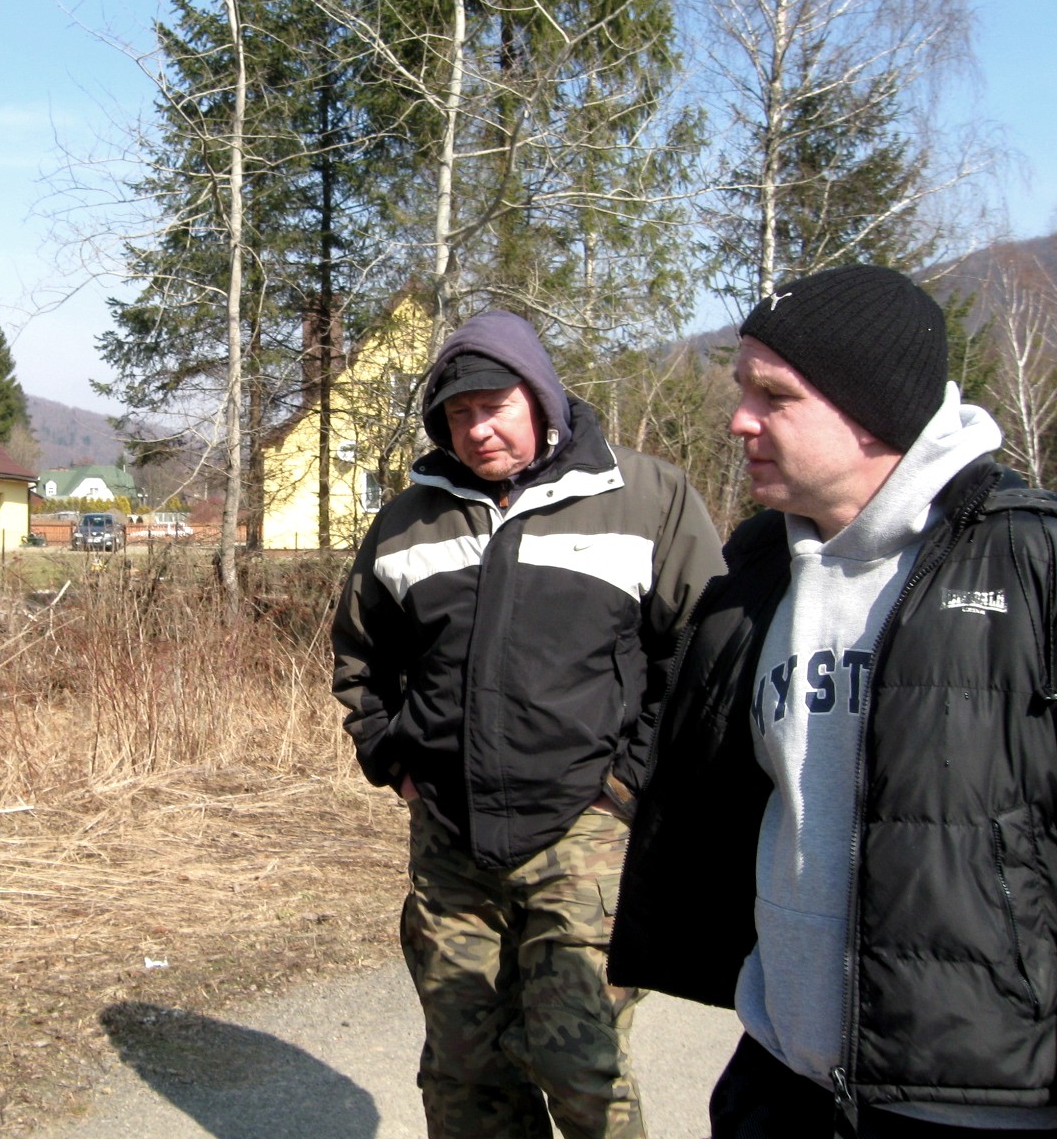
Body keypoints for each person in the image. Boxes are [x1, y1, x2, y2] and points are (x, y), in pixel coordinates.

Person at [609, 263, 1057, 1137]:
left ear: (873, 409)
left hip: (974, 1103)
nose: (740, 419)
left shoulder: (1029, 563)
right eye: (742, 389)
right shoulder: (755, 569)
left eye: (775, 395)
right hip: (781, 1080)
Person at [331, 309, 724, 1139]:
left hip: (586, 832)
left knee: (583, 1069)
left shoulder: (644, 497)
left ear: (540, 398)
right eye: (458, 414)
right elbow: (362, 658)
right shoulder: (407, 522)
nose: (477, 429)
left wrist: (627, 783)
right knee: (464, 1072)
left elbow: (703, 653)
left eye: (494, 406)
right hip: (450, 843)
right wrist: (394, 758)